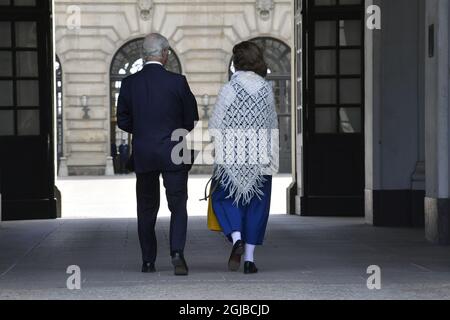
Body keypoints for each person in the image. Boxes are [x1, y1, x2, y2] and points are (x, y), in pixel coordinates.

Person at [117, 33, 199, 275]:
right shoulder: (178, 82)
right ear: (165, 54)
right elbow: (191, 119)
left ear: (144, 55)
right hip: (175, 150)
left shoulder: (130, 84)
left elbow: (122, 120)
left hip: (144, 153)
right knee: (178, 206)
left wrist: (142, 129)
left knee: (146, 208)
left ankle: (148, 261)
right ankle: (176, 252)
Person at [209, 41, 279, 274]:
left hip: (231, 156)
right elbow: (272, 125)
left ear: (237, 62)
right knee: (257, 207)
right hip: (261, 157)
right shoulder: (266, 90)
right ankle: (249, 259)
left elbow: (216, 124)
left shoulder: (229, 89)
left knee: (224, 198)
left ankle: (236, 237)